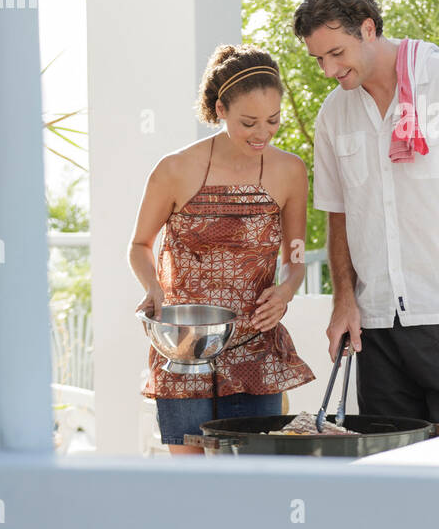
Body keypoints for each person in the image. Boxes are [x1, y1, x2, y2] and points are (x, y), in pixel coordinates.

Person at [295, 0, 439, 434]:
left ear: (369, 28)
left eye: (336, 52)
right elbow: (338, 215)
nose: (328, 70)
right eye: (318, 58)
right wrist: (343, 300)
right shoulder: (333, 115)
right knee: (392, 483)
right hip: (377, 331)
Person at [128, 45, 315, 454]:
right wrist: (155, 289)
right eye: (249, 122)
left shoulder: (290, 171)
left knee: (254, 474)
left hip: (256, 346)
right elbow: (140, 245)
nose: (263, 133)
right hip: (184, 348)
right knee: (195, 482)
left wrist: (286, 291)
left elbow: (296, 255)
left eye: (273, 120)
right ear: (220, 109)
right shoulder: (174, 169)